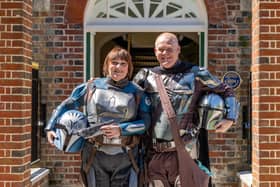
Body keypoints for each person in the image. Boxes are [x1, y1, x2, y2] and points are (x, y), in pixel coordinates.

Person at [133, 32, 239, 187]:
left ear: (178, 49)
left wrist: (230, 118)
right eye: (161, 49)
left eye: (169, 49)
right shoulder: (145, 76)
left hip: (186, 152)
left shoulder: (197, 74)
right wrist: (96, 84)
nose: (165, 53)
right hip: (154, 153)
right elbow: (126, 95)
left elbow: (226, 90)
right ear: (155, 52)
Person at [45, 47, 151, 187]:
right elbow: (67, 104)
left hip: (126, 156)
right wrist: (50, 127)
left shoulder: (138, 93)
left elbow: (146, 122)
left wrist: (121, 129)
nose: (118, 67)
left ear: (129, 67)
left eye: (123, 63)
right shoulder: (91, 87)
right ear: (107, 65)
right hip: (94, 155)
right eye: (114, 62)